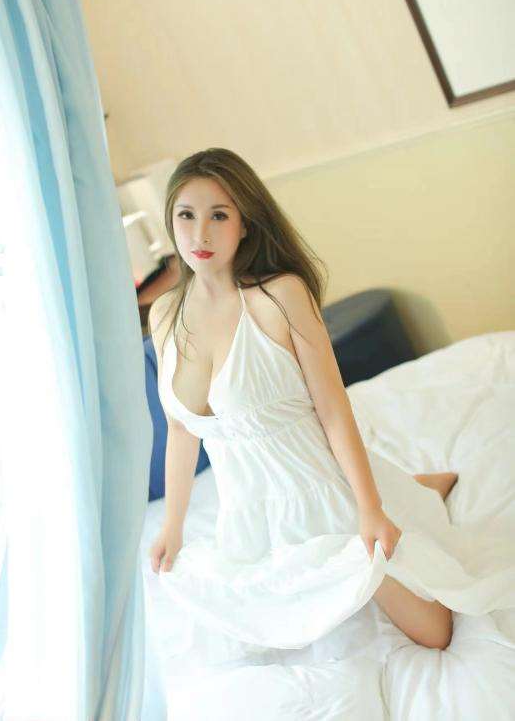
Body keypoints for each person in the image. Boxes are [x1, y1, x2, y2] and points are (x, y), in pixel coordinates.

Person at [147, 148, 512, 677]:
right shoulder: (164, 314)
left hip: (323, 491)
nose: (200, 233)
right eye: (186, 215)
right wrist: (172, 526)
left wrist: (369, 509)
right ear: (170, 221)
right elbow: (182, 430)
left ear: (245, 224)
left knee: (435, 633)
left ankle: (409, 492)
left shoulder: (279, 297)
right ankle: (412, 488)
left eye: (218, 215)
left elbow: (335, 412)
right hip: (250, 514)